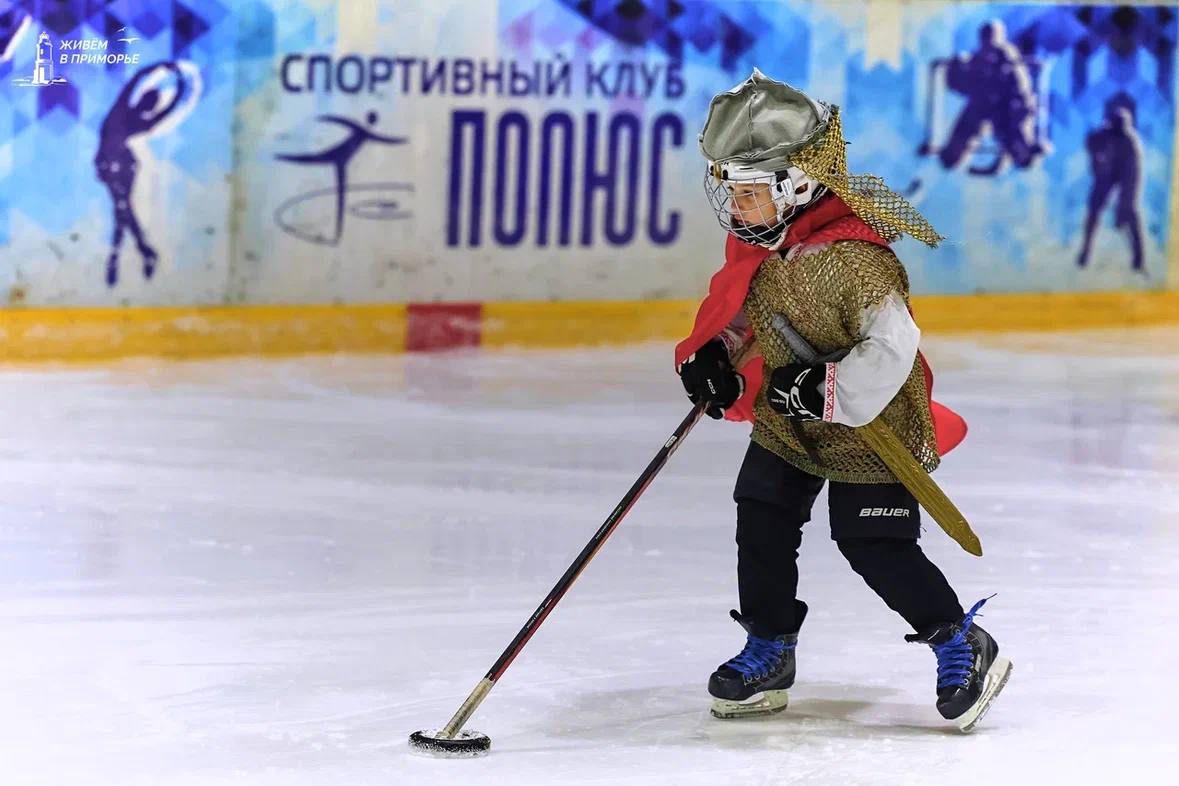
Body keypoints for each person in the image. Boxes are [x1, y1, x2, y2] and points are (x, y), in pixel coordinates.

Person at [675, 70, 1011, 732]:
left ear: (795, 185)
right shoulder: (769, 241)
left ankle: (958, 641)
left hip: (871, 419)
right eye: (733, 190)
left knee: (873, 542)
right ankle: (768, 646)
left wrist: (823, 389)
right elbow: (759, 309)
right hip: (787, 415)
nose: (736, 207)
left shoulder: (856, 257)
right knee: (762, 515)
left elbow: (890, 348)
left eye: (749, 192)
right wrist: (719, 353)